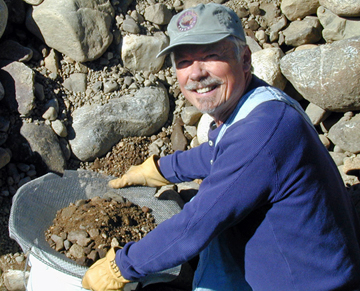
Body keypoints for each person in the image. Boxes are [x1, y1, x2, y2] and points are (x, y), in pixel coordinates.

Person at [82, 3, 360, 290]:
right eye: (183, 62)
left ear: (245, 58)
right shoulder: (259, 103)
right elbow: (222, 153)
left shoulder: (263, 133)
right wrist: (160, 169)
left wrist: (121, 267)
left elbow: (195, 225)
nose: (196, 73)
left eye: (211, 55)